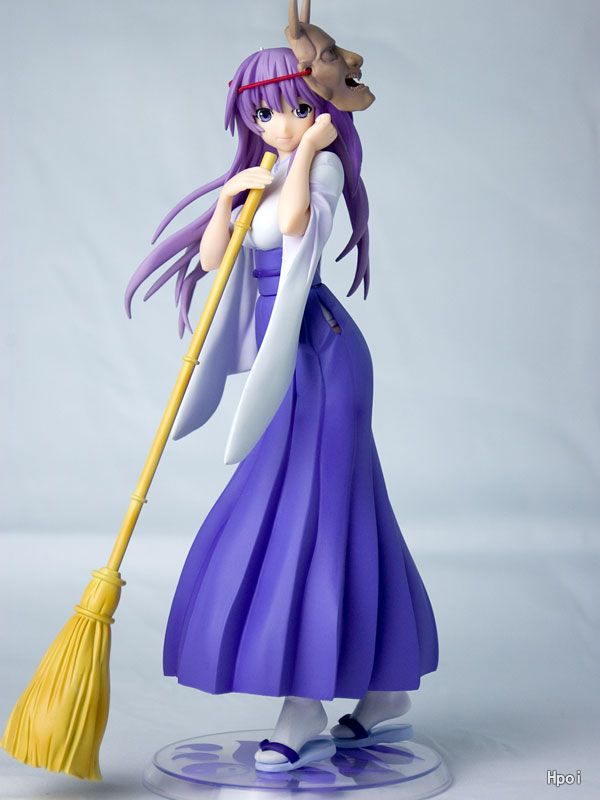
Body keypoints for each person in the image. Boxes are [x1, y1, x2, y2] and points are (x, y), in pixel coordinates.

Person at [125, 46, 439, 773]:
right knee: (327, 509)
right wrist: (230, 199)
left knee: (317, 512)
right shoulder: (267, 173)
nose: (281, 125)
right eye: (265, 113)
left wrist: (308, 150)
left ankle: (305, 703)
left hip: (321, 355)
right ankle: (385, 688)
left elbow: (298, 226)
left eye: (297, 108)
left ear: (322, 108)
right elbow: (215, 260)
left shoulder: (318, 168)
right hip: (283, 359)